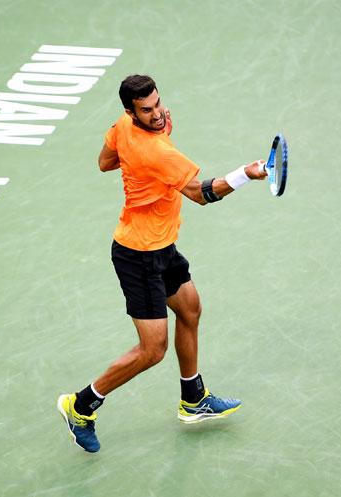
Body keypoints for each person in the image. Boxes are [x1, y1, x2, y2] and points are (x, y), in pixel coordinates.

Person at [57, 74, 267, 453]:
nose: (156, 114)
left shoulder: (122, 127)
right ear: (129, 111)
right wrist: (245, 176)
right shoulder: (158, 153)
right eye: (146, 110)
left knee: (190, 309)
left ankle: (193, 398)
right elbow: (201, 195)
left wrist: (141, 151)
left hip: (161, 246)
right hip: (137, 256)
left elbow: (105, 162)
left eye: (157, 105)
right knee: (152, 350)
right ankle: (81, 405)